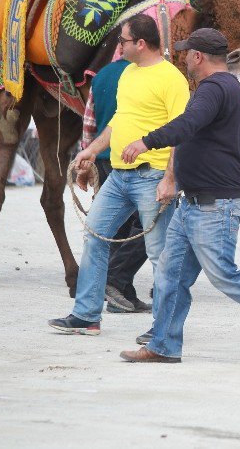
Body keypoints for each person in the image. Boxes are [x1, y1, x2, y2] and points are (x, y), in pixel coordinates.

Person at [118, 28, 240, 366]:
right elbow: (192, 132)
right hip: (194, 204)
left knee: (223, 274)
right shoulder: (225, 86)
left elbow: (187, 125)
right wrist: (173, 179)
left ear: (198, 57)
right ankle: (163, 345)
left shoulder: (213, 89)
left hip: (214, 206)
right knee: (171, 277)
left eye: (188, 52)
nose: (185, 58)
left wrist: (146, 142)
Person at [48, 14, 189, 336]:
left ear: (140, 43)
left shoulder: (171, 79)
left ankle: (164, 329)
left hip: (153, 175)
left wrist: (170, 179)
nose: (118, 46)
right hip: (119, 176)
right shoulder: (128, 74)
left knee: (159, 253)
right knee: (95, 236)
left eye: (123, 41)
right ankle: (86, 315)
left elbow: (182, 132)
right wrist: (91, 150)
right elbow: (118, 123)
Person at [80, 58, 152, 314]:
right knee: (145, 227)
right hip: (135, 160)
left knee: (113, 230)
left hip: (102, 161)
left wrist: (86, 159)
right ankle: (115, 281)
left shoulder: (100, 76)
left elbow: (89, 123)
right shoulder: (146, 74)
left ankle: (121, 293)